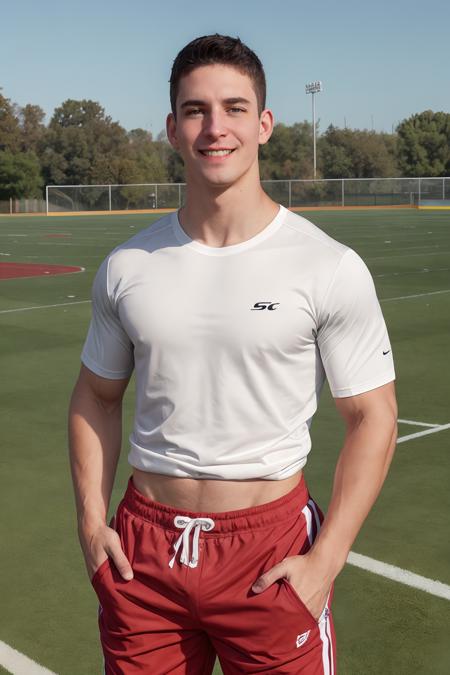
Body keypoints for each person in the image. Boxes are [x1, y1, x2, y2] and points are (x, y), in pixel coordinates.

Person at [68, 34, 397, 674]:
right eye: (195, 110)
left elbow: (374, 419)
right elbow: (96, 396)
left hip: (268, 553)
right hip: (144, 551)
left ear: (265, 123)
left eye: (235, 108)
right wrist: (90, 522)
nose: (215, 128)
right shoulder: (127, 265)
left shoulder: (327, 265)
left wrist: (325, 561)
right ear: (171, 127)